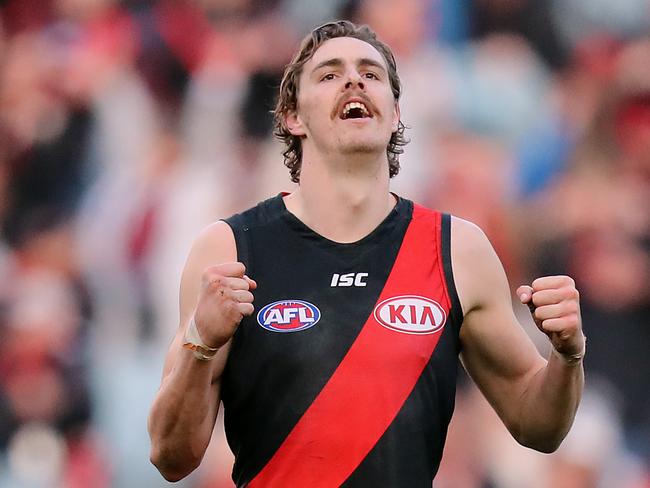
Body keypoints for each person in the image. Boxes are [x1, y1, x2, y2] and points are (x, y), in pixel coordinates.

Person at [147, 20, 586, 487]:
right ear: (293, 116)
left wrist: (567, 356)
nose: (354, 80)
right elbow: (171, 457)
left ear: (395, 113)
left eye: (371, 74)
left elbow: (539, 427)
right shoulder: (230, 249)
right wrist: (200, 343)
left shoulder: (457, 249)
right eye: (330, 74)